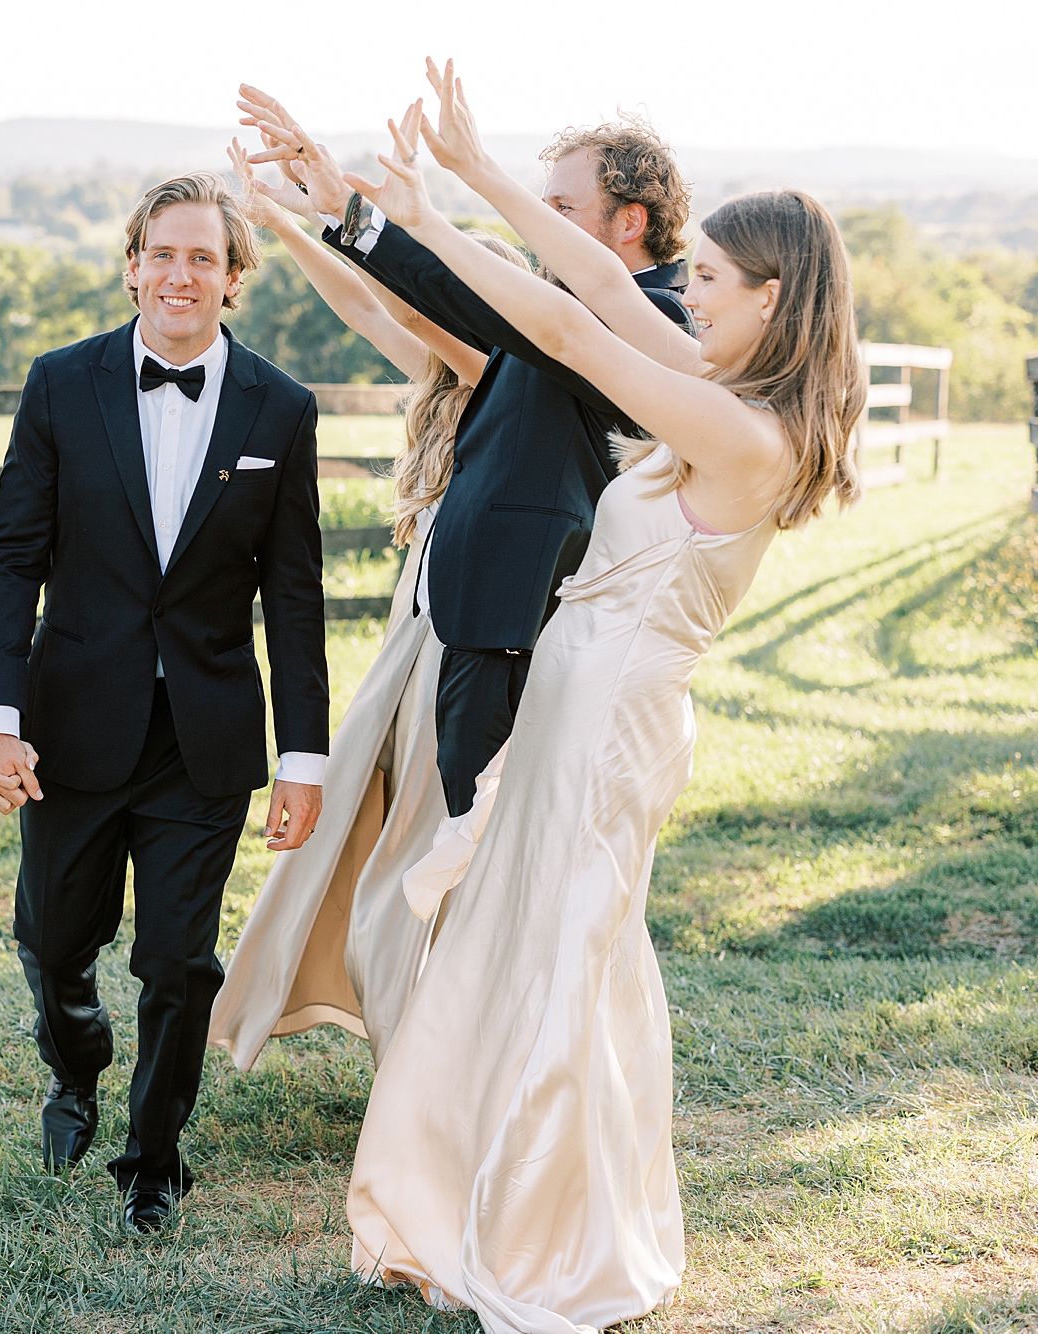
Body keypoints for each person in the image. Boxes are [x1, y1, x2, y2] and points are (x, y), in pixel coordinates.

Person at [313, 67, 865, 1331]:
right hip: (571, 712)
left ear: (769, 300)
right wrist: (473, 176)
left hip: (607, 730)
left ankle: (547, 1231)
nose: (692, 297)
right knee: (521, 948)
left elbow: (569, 328)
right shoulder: (723, 392)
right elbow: (605, 289)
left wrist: (447, 210)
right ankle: (471, 1189)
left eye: (712, 284)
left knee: (563, 964)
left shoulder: (747, 437)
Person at [0, 171, 329, 1234]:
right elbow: (12, 563)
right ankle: (73, 1068)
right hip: (71, 722)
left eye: (202, 257)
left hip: (203, 737)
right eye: (161, 253)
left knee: (177, 955)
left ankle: (152, 1153)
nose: (180, 273)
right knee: (51, 937)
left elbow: (294, 596)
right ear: (131, 266)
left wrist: (302, 755)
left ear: (231, 278)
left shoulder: (281, 406)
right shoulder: (58, 384)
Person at [238, 84, 695, 823]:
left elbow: (473, 308)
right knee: (466, 852)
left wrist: (371, 217)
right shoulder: (563, 311)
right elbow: (446, 307)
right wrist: (339, 212)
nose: (542, 228)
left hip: (532, 633)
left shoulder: (656, 320)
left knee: (487, 849)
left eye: (561, 210)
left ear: (630, 222)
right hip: (490, 626)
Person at [210, 137, 533, 1069]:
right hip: (411, 635)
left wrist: (344, 225)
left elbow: (402, 305)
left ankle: (425, 1047)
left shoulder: (495, 378)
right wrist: (285, 224)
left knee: (424, 843)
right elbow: (363, 303)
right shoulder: (442, 381)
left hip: (458, 647)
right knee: (362, 813)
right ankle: (385, 1021)